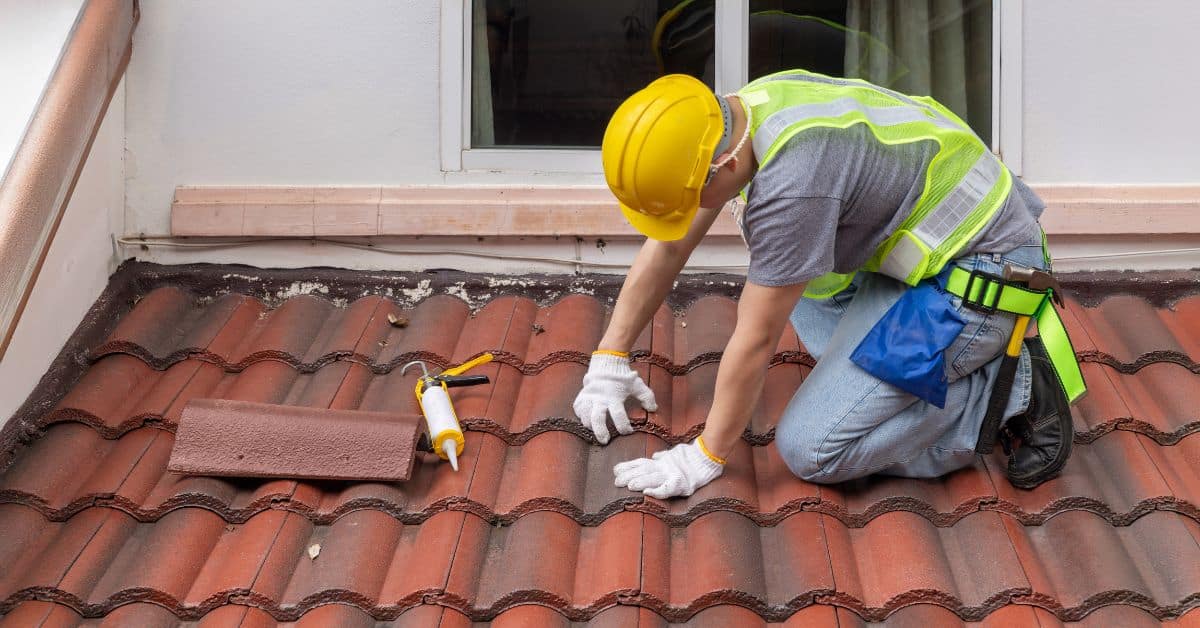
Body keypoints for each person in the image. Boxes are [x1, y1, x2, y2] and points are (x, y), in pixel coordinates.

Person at [572, 70, 1085, 500]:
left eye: (691, 199)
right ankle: (922, 369)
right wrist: (610, 359)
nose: (691, 217)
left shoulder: (795, 186)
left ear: (722, 166)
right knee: (802, 286)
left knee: (812, 447)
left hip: (983, 274)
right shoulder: (745, 111)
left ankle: (1007, 392)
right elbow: (670, 246)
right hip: (932, 252)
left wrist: (705, 455)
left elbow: (755, 338)